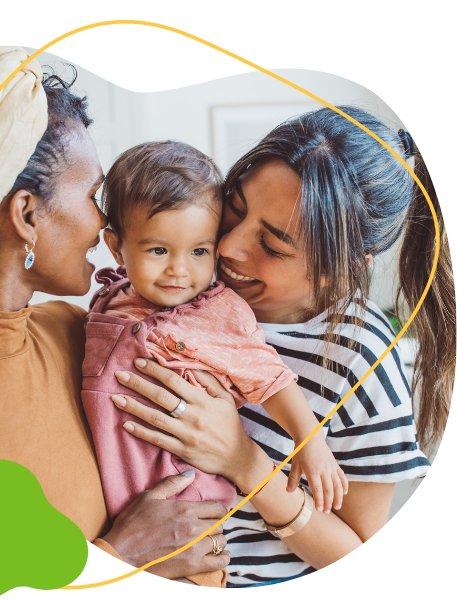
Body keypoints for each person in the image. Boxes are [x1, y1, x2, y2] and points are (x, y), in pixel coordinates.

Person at [0, 46, 231, 588]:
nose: (105, 219)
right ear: (27, 215)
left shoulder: (79, 331)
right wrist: (120, 555)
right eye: (91, 193)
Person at [106, 105, 455, 587]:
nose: (228, 247)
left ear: (341, 267)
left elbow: (351, 548)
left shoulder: (360, 357)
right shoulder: (179, 278)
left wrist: (244, 462)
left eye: (272, 246)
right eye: (236, 206)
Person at [81, 140, 348, 532]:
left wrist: (311, 443)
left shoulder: (214, 312)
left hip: (185, 498)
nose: (179, 270)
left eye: (200, 252)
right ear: (116, 247)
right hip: (117, 490)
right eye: (158, 250)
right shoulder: (110, 295)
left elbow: (269, 377)